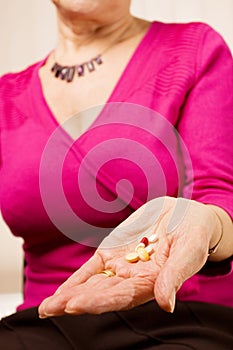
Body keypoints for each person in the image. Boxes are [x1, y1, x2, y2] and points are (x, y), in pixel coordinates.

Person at [0, 0, 232, 349]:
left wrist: (208, 223)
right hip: (45, 320)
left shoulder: (194, 48)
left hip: (179, 318)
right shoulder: (7, 97)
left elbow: (220, 195)